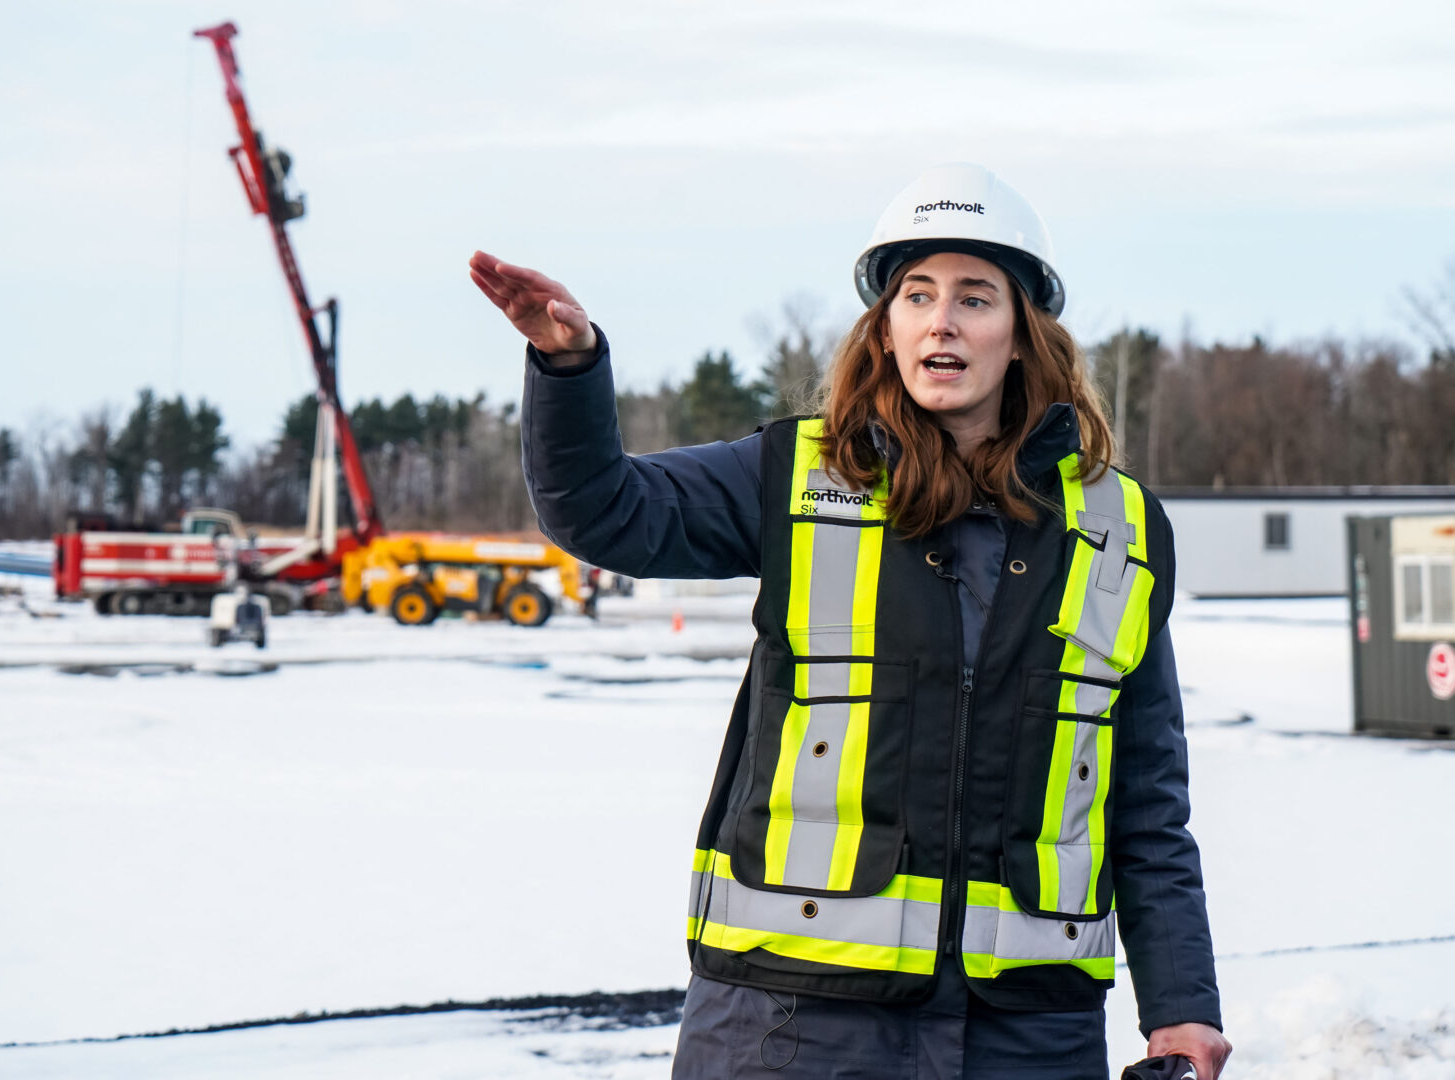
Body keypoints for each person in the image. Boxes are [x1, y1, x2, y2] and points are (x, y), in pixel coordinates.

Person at [469, 162, 1231, 1080]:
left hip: (1027, 1032)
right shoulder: (791, 478)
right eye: (917, 295)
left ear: (1023, 337)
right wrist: (568, 367)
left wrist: (1181, 1006)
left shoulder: (1120, 530)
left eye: (975, 298)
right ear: (889, 328)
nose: (942, 320)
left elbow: (1146, 802)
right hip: (791, 1023)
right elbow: (601, 511)